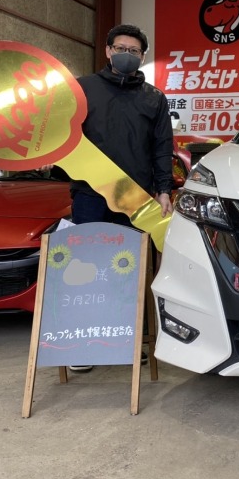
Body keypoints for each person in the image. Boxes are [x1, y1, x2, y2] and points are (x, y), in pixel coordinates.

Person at [68, 23, 174, 372]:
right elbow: (64, 137)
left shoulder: (154, 98)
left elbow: (162, 148)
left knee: (128, 270)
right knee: (86, 269)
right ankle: (83, 344)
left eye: (134, 51)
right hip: (90, 194)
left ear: (142, 56)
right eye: (121, 49)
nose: (127, 55)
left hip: (135, 198)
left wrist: (163, 189)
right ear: (108, 51)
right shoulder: (82, 89)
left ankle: (127, 340)